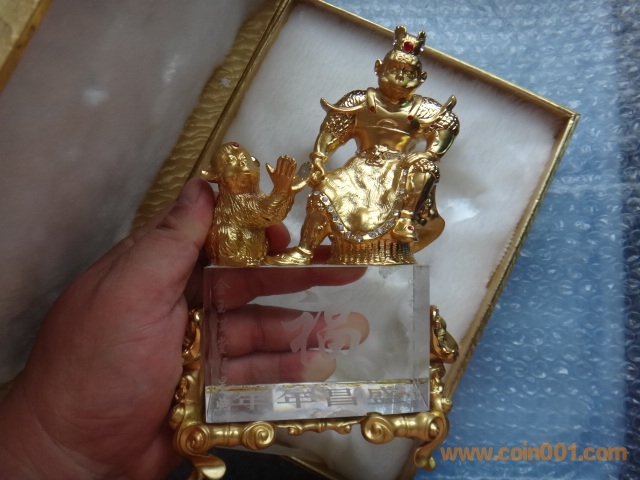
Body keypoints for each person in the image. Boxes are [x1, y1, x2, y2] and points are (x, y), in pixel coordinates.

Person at [0, 178, 363, 479]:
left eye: (246, 164)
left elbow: (268, 214)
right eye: (236, 166)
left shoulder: (241, 203)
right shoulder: (234, 204)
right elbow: (268, 213)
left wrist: (57, 446)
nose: (244, 167)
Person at [268, 26, 459, 266]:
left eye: (409, 73)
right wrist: (319, 158)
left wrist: (430, 154)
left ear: (421, 79)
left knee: (427, 168)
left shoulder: (426, 109)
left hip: (400, 170)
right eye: (393, 70)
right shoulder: (359, 101)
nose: (400, 77)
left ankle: (405, 220)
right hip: (359, 168)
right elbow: (332, 131)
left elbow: (446, 126)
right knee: (324, 192)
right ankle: (305, 250)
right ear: (378, 68)